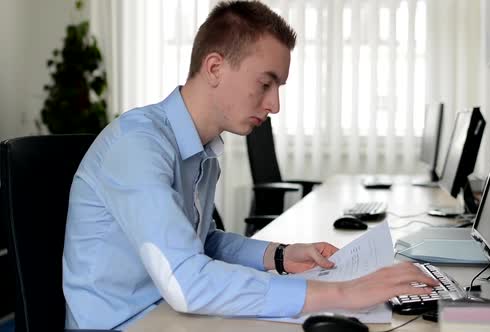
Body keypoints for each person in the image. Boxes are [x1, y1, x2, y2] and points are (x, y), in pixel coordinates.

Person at [62, 1, 438, 329]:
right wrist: (342, 291)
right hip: (129, 323)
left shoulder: (202, 149)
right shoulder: (138, 146)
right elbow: (188, 284)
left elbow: (200, 241)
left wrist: (279, 255)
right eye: (265, 84)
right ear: (214, 68)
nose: (274, 105)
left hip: (171, 315)